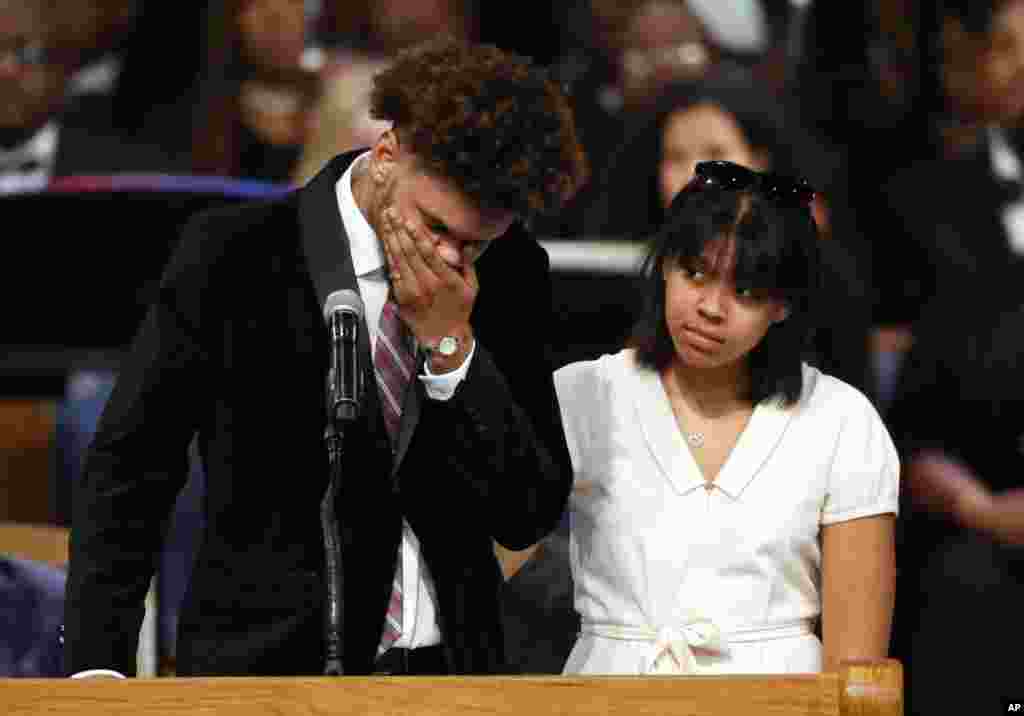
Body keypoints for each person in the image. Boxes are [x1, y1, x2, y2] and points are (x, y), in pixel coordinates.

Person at [63, 37, 586, 678]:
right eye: (436, 227)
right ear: (387, 154)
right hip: (263, 674)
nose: (450, 258)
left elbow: (526, 509)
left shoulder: (513, 274)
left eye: (474, 244)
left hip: (450, 676)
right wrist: (97, 667)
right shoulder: (234, 255)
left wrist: (454, 348)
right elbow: (130, 472)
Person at [554, 160, 898, 675]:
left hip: (782, 702)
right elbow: (478, 567)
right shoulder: (584, 393)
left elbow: (857, 674)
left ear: (782, 305)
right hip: (608, 692)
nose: (711, 307)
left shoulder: (843, 420)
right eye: (695, 274)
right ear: (664, 265)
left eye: (745, 291)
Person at [885, 289, 1024, 714]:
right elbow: (912, 449)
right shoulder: (974, 305)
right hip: (977, 542)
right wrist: (981, 510)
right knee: (961, 583)